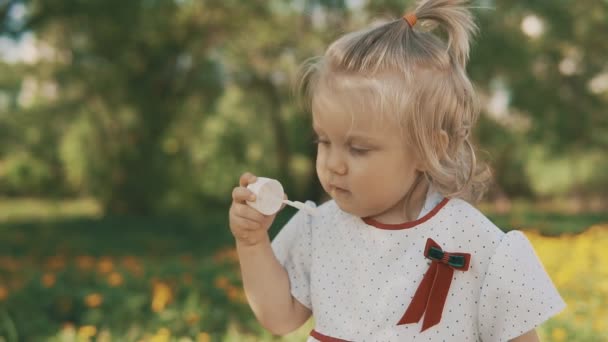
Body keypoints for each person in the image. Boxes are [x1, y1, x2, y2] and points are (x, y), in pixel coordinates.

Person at [228, 0, 565, 340]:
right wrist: (253, 243)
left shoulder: (477, 243)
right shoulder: (319, 229)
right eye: (323, 141)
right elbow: (280, 317)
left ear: (430, 149)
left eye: (358, 148)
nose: (333, 164)